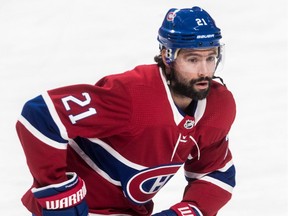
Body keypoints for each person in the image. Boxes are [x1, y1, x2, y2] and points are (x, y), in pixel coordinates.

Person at [16, 6, 236, 216]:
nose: (204, 71)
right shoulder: (134, 94)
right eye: (192, 59)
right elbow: (41, 115)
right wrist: (60, 194)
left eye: (210, 58)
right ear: (168, 56)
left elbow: (215, 172)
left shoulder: (218, 107)